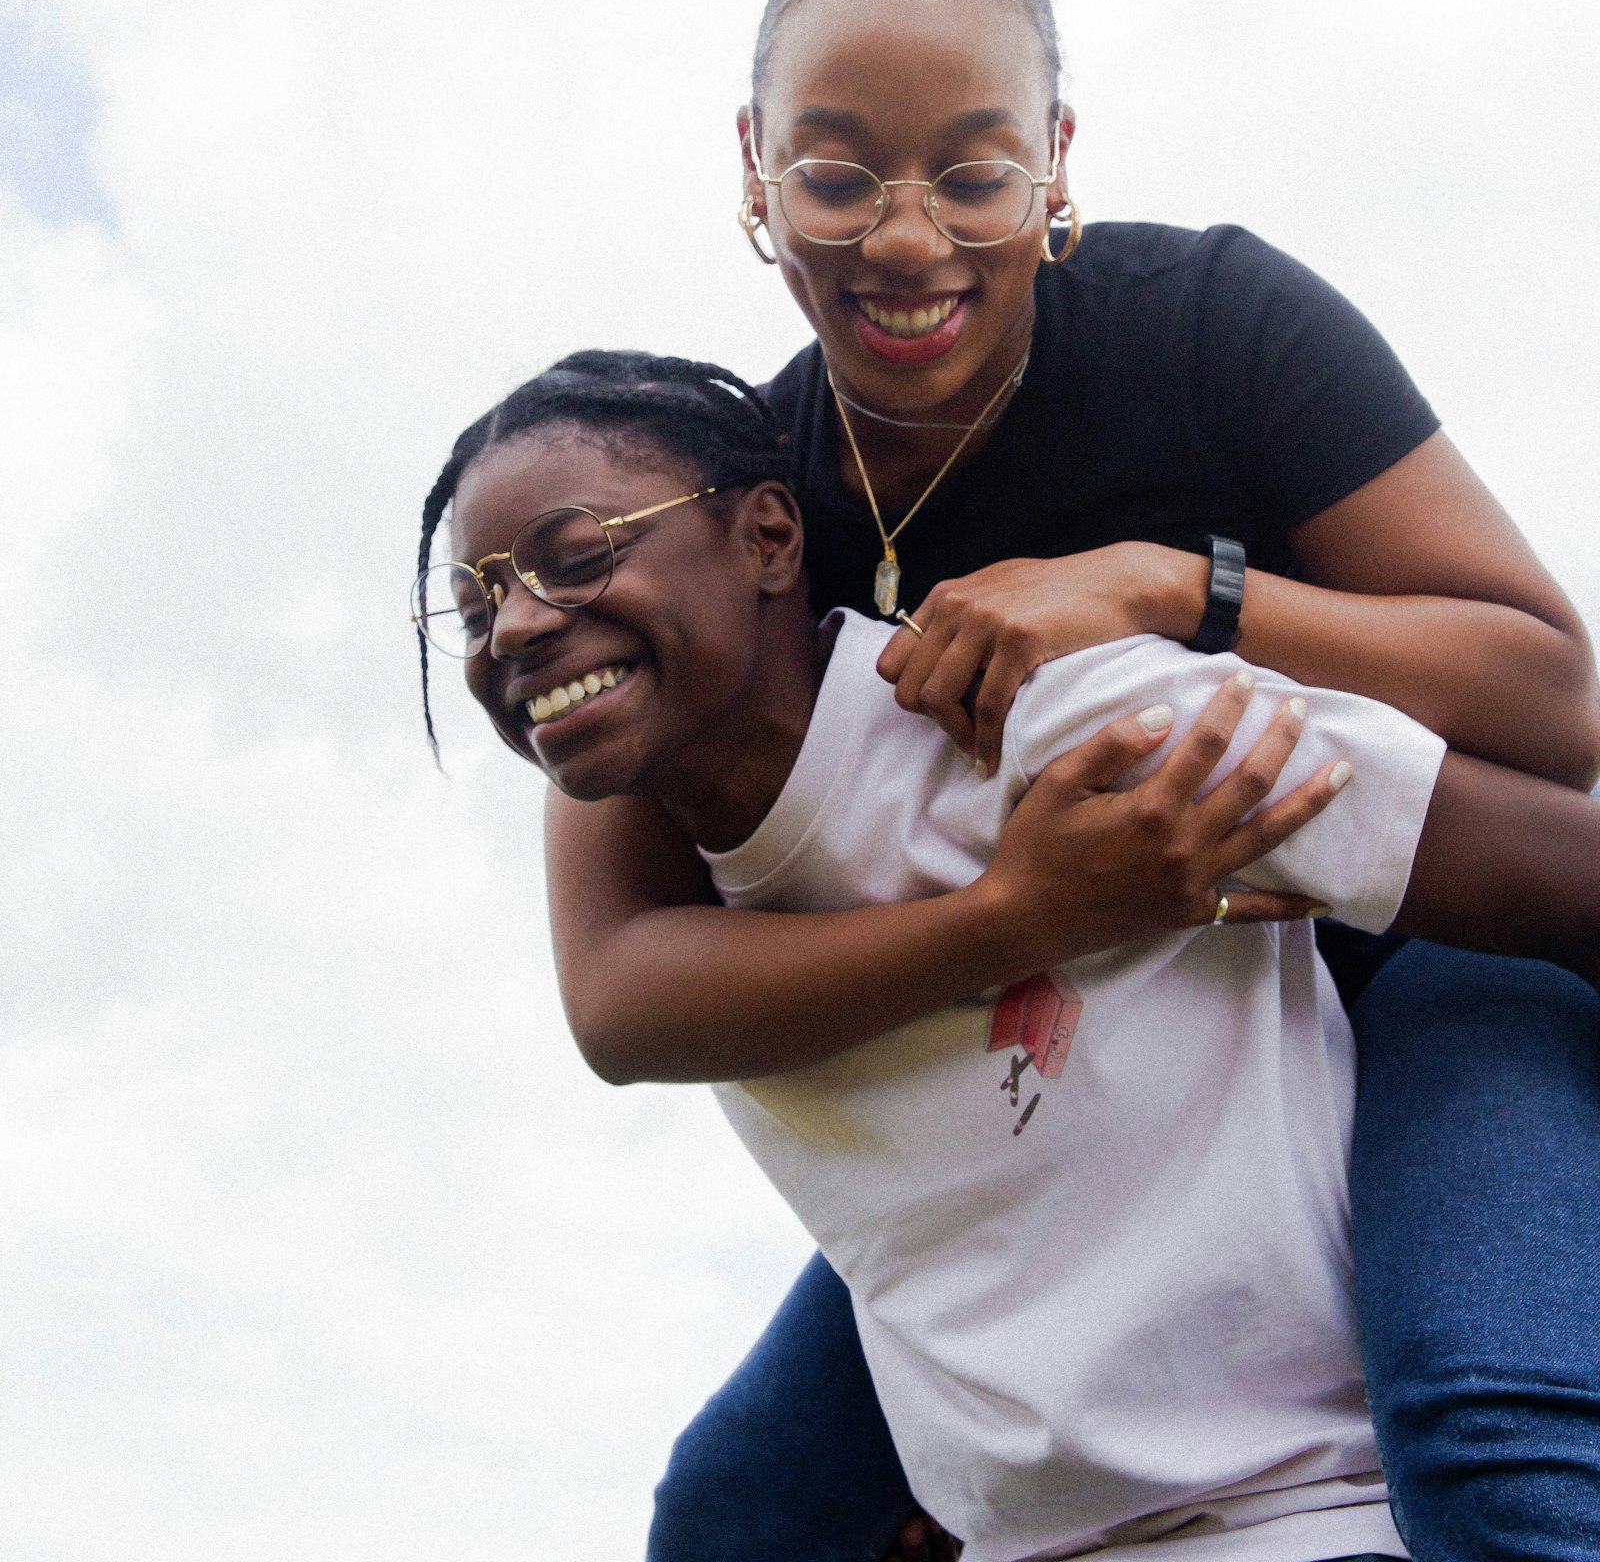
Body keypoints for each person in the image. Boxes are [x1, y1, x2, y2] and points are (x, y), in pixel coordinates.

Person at [546, 0, 1600, 1561]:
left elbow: (1555, 700)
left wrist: (1176, 590)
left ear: (1055, 159)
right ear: (754, 167)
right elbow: (618, 972)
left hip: (1424, 951)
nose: (906, 241)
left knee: (1487, 1431)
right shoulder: (754, 507)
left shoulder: (1212, 324)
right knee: (741, 1513)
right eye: (836, 175)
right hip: (1122, 1053)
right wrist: (1019, 919)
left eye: (972, 174)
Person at [410, 349, 1600, 1562]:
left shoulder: (1070, 724)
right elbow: (620, 1016)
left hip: (1305, 1513)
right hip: (1037, 1540)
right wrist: (1026, 913)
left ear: (769, 538)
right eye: (472, 605)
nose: (512, 625)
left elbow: (1569, 868)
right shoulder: (672, 884)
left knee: (1500, 1454)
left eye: (576, 555)